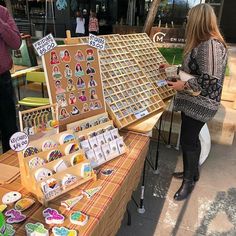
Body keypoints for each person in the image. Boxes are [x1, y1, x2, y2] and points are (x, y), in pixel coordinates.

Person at [166, 4, 227, 201]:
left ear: (198, 20)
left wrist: (182, 85)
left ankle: (189, 182)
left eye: (189, 19)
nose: (187, 22)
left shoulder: (210, 45)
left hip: (201, 103)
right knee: (192, 139)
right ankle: (193, 173)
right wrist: (172, 69)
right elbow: (196, 70)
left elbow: (210, 80)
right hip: (195, 101)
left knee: (188, 140)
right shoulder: (205, 43)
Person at [0, 5, 21, 153]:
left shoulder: (2, 12)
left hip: (2, 79)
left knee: (9, 129)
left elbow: (16, 42)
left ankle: (12, 168)